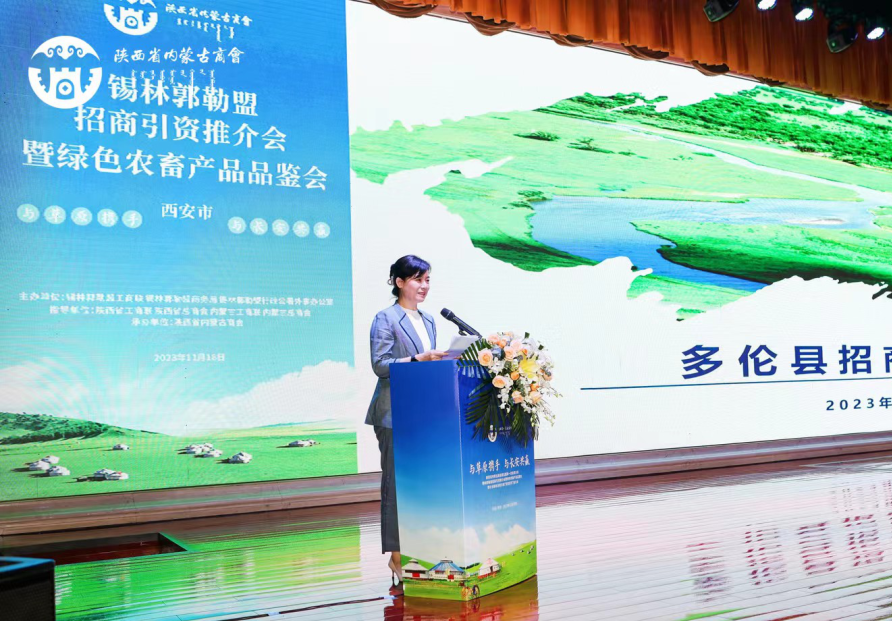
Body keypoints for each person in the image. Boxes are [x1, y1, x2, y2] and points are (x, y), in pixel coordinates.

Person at [366, 255, 446, 587]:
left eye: (427, 280)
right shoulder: (385, 318)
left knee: (422, 486)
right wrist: (416, 358)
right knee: (397, 487)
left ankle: (421, 549)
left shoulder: (429, 320)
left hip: (422, 414)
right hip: (394, 415)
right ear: (399, 282)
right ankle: (397, 557)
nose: (424, 286)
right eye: (417, 279)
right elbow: (380, 365)